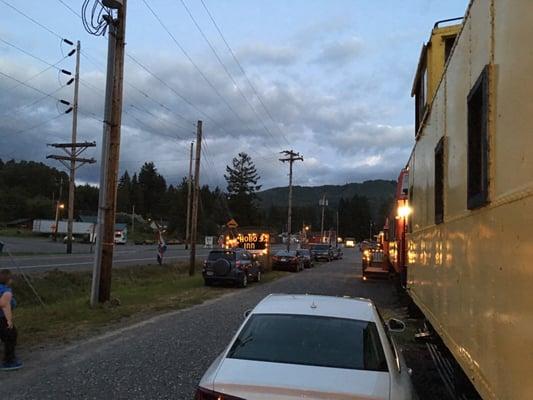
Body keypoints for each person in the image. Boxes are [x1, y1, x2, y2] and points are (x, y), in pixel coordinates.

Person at [0, 269, 22, 371]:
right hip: (2, 318)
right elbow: (11, 304)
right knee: (11, 336)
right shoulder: (6, 291)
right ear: (8, 280)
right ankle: (9, 361)